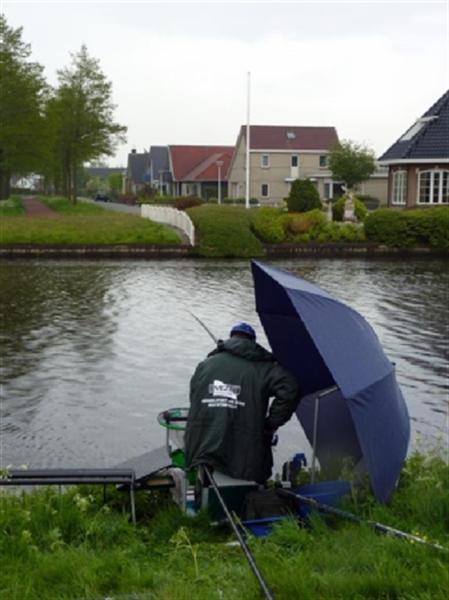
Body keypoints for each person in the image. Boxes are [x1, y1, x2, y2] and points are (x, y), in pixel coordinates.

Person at [184, 322, 300, 484]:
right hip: (245, 453)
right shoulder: (264, 368)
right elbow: (290, 389)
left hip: (203, 445)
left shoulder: (205, 365)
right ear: (252, 342)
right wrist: (271, 424)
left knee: (208, 482)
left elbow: (194, 396)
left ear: (231, 338)